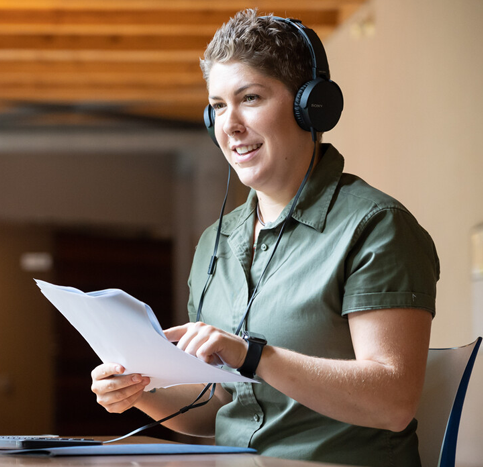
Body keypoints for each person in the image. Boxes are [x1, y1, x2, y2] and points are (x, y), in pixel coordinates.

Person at [90, 9, 439, 467]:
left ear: (311, 106)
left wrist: (253, 356)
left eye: (249, 98)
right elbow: (216, 407)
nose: (229, 125)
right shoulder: (216, 242)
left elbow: (392, 403)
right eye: (217, 106)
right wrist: (140, 390)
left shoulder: (376, 226)